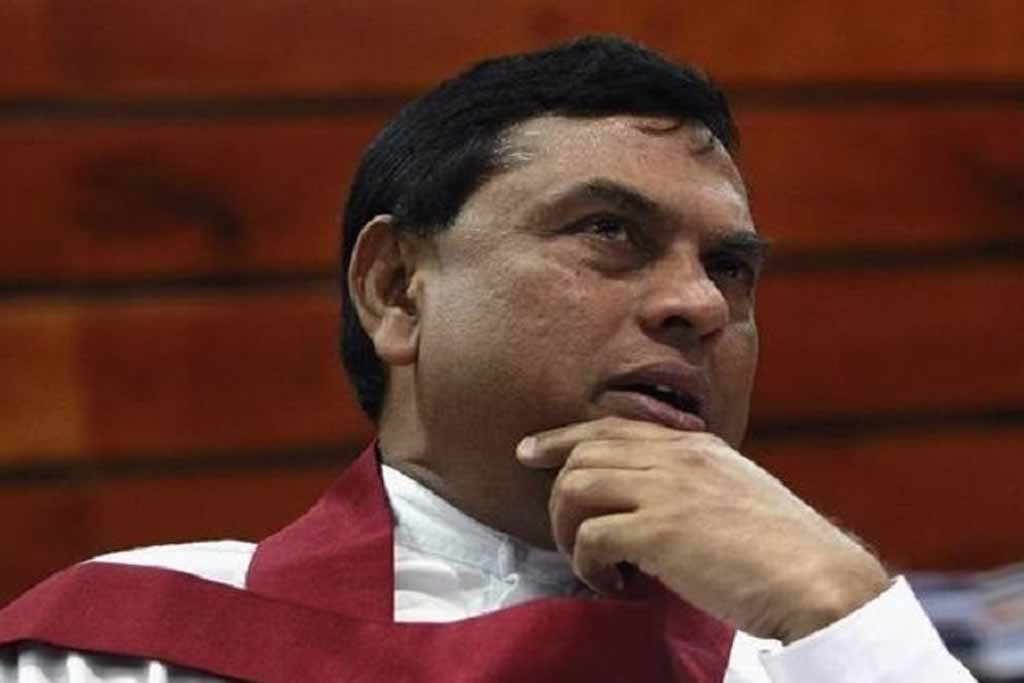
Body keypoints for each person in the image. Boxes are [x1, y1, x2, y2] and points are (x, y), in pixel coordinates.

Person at [0, 35, 976, 682]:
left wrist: (838, 602)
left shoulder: (819, 651)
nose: (700, 303)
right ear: (396, 289)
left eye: (730, 266)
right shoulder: (127, 651)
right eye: (610, 231)